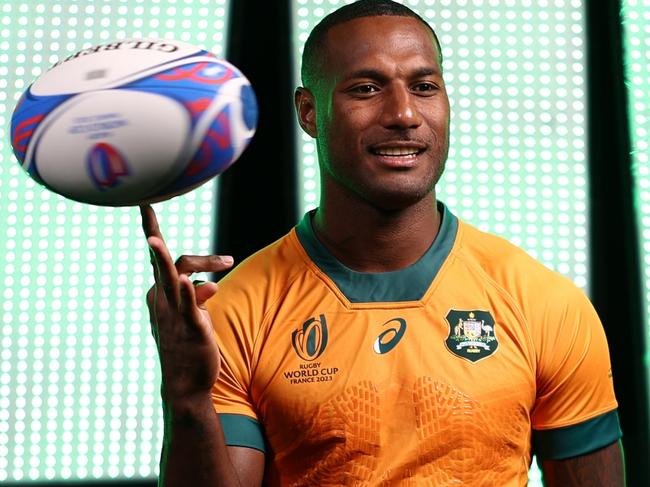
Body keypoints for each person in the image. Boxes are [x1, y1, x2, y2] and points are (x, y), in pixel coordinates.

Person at [141, 1, 625, 485]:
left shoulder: (544, 302)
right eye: (367, 89)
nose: (404, 113)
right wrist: (185, 396)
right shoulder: (236, 309)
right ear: (309, 112)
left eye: (424, 87)